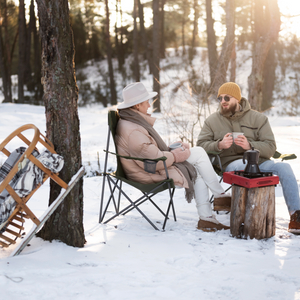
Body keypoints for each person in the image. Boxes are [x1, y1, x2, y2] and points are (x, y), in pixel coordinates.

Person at [115, 82, 230, 232]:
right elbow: (155, 161)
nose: (149, 106)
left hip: (147, 166)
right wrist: (175, 155)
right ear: (137, 106)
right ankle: (219, 198)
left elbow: (149, 151)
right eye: (147, 102)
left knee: (196, 169)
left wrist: (171, 149)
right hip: (148, 172)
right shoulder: (133, 130)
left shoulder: (132, 122)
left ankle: (207, 218)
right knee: (200, 154)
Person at [197, 81, 300, 234]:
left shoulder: (258, 119)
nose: (223, 102)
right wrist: (219, 145)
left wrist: (250, 146)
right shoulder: (212, 121)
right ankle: (248, 214)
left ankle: (295, 216)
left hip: (260, 161)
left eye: (227, 98)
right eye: (220, 98)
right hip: (231, 164)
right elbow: (200, 145)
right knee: (242, 166)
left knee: (284, 167)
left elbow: (271, 146)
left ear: (237, 99)